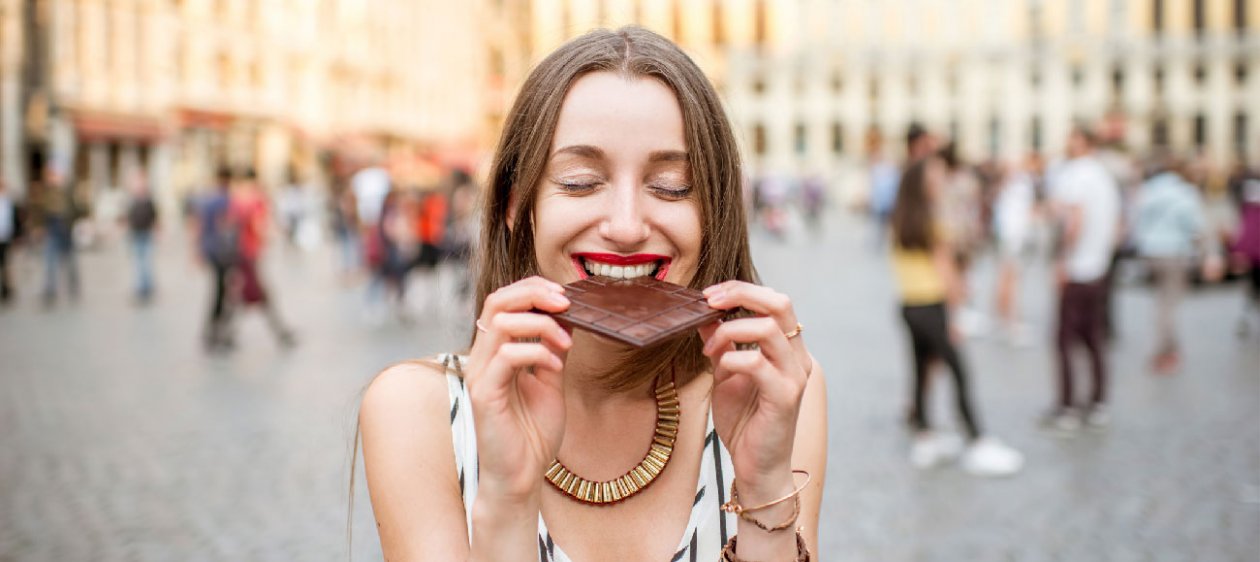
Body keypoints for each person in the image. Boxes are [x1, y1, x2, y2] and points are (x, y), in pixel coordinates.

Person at [358, 27, 826, 561]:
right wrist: (509, 501)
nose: (626, 227)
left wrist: (764, 487)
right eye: (581, 182)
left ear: (714, 211)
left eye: (671, 186)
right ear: (517, 207)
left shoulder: (777, 390)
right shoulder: (417, 414)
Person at [888, 156, 1024, 477]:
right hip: (934, 304)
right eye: (935, 180)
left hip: (909, 304)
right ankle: (977, 438)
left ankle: (924, 435)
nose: (941, 185)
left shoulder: (900, 220)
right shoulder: (933, 221)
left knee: (920, 370)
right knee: (959, 370)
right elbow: (946, 271)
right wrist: (956, 312)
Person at [1044, 128, 1121, 432]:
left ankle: (1068, 406)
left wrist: (1062, 259)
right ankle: (1098, 401)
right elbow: (1118, 224)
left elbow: (1075, 220)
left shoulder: (1078, 174)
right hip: (1099, 266)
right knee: (1094, 338)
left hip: (1078, 267)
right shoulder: (1104, 176)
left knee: (1065, 339)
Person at [1131, 155, 1216, 373]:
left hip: (1150, 252)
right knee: (1168, 305)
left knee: (1161, 301)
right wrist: (1209, 254)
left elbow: (1136, 221)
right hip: (1174, 253)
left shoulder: (1148, 190)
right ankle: (1165, 351)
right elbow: (1196, 226)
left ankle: (1169, 348)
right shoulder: (1185, 192)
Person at [228, 169, 296, 347]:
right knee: (256, 293)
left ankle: (280, 331)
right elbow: (259, 224)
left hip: (240, 253)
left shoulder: (236, 200)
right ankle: (281, 332)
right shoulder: (256, 200)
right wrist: (271, 236)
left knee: (246, 294)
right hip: (250, 253)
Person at [991, 159, 1038, 346]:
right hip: (1013, 239)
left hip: (1010, 238)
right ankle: (1010, 323)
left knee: (1006, 278)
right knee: (1011, 280)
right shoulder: (1018, 187)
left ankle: (1005, 320)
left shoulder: (1009, 189)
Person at [195, 167, 237, 351]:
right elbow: (227, 226)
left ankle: (214, 330)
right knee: (224, 292)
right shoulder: (226, 201)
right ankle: (219, 330)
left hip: (213, 251)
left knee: (219, 291)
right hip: (225, 252)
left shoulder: (209, 201)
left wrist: (199, 250)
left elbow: (200, 227)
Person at [37, 165, 81, 307]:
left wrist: (71, 223)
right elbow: (39, 210)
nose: (53, 179)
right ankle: (50, 290)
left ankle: (73, 286)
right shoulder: (46, 192)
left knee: (69, 261)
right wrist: (39, 227)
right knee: (50, 261)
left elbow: (76, 208)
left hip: (65, 229)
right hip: (52, 228)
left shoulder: (67, 191)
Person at [124, 172, 159, 303]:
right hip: (136, 234)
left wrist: (156, 231)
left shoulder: (148, 200)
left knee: (146, 261)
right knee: (138, 263)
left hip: (146, 233)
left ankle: (147, 286)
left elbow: (155, 217)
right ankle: (141, 287)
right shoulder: (132, 201)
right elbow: (128, 218)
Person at [0, 179, 21, 304]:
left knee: (7, 264)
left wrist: (16, 235)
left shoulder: (9, 202)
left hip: (6, 237)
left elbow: (14, 220)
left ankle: (6, 289)